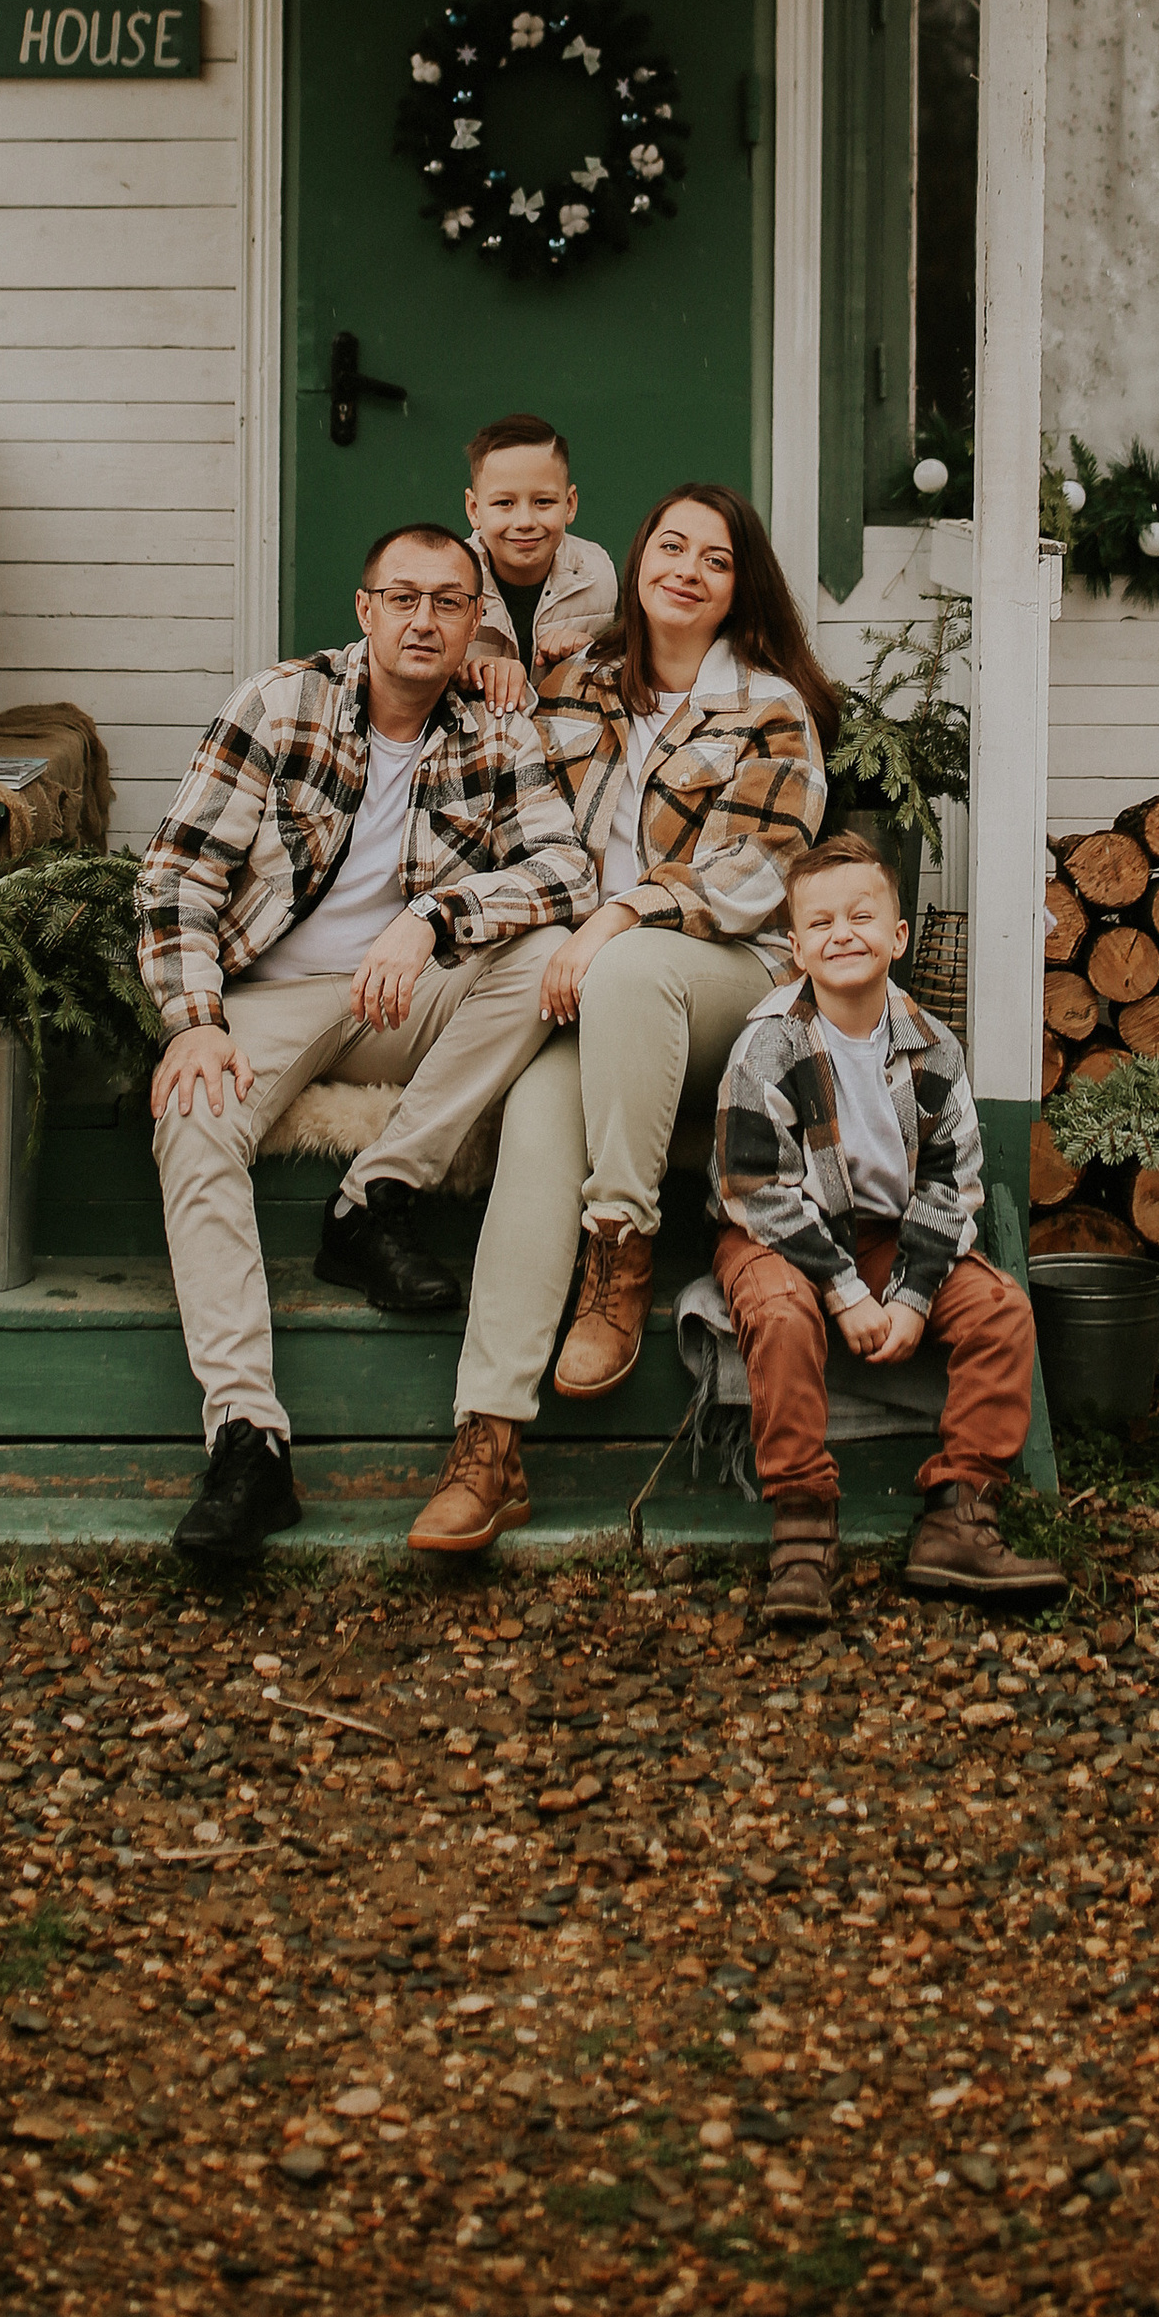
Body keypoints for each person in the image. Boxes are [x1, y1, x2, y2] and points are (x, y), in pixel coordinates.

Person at [137, 521, 592, 1566]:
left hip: (405, 996)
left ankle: (375, 1197)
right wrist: (196, 1022)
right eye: (404, 597)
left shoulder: (495, 732)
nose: (424, 619)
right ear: (365, 609)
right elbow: (176, 876)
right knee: (195, 1119)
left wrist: (435, 917)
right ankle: (247, 1442)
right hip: (273, 995)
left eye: (448, 600)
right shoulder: (278, 702)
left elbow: (567, 873)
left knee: (548, 954)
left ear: (478, 620)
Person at [403, 483, 831, 1557]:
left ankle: (621, 1243)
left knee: (636, 965)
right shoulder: (576, 684)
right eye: (669, 546)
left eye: (715, 558)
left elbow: (754, 871)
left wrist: (613, 922)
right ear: (637, 563)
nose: (687, 567)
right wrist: (477, 665)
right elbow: (502, 793)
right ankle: (489, 1439)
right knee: (542, 1122)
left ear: (741, 588)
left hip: (727, 982)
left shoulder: (770, 707)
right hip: (595, 993)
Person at [711, 830, 1066, 1623]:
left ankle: (958, 1511)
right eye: (823, 923)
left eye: (863, 916)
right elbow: (754, 1186)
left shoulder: (934, 1049)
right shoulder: (767, 1045)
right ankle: (803, 1526)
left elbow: (951, 1180)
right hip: (773, 1230)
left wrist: (909, 1295)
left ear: (897, 936)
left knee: (1002, 1309)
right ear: (795, 946)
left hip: (881, 1231)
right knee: (780, 1313)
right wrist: (842, 1293)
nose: (844, 933)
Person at [457, 409, 618, 706]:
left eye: (543, 502)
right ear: (474, 509)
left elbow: (631, 673)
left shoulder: (601, 578)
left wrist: (590, 654)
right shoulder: (448, 583)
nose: (524, 521)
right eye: (504, 503)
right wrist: (460, 674)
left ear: (569, 504)